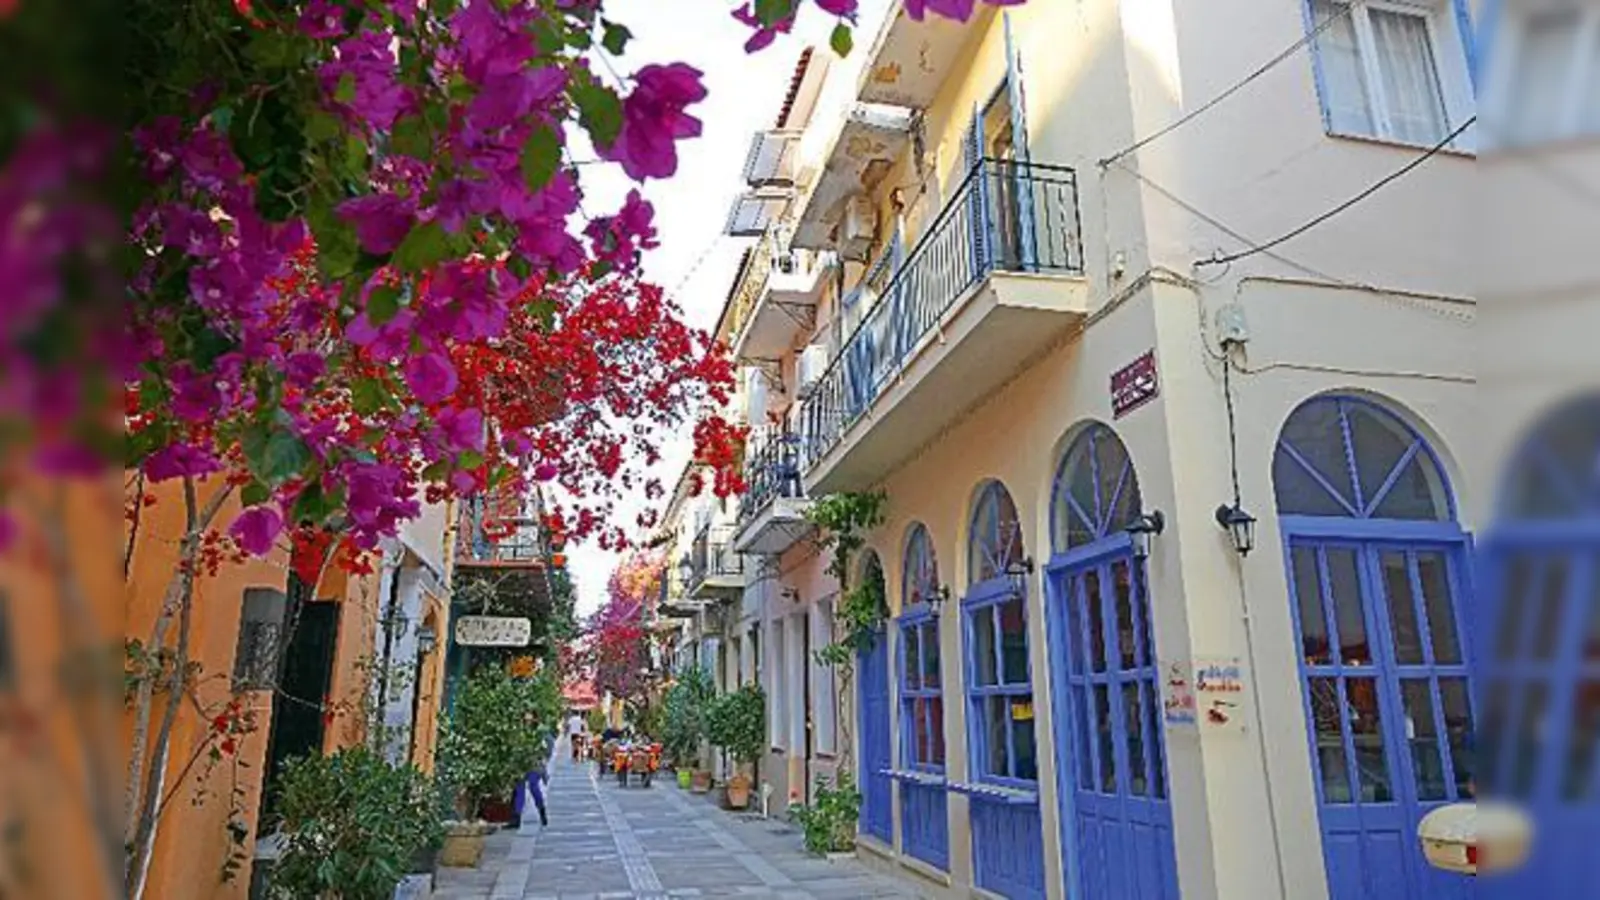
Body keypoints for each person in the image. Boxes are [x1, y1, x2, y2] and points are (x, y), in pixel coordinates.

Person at [513, 754, 549, 828]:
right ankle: (542, 813)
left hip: (523, 763)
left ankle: (517, 818)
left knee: (520, 789)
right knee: (533, 787)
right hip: (533, 763)